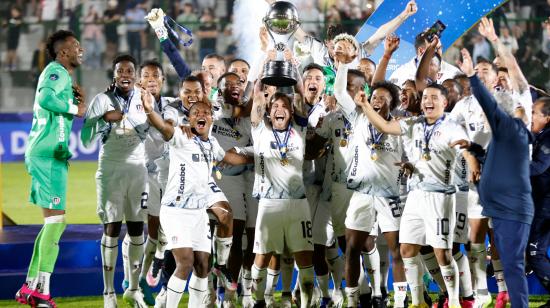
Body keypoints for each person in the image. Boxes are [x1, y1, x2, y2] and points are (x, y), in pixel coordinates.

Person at [361, 81, 479, 308]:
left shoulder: (452, 127)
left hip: (441, 197)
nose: (428, 101)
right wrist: (365, 105)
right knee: (406, 248)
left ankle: (455, 301)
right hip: (415, 195)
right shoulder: (413, 123)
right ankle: (417, 302)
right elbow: (385, 127)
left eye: (435, 98)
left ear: (444, 103)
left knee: (442, 253)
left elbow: (466, 149)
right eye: (425, 97)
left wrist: (474, 166)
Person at [142, 93, 251, 308]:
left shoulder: (212, 143)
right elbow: (163, 127)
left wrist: (257, 156)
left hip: (198, 213)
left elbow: (229, 158)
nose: (201, 115)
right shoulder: (182, 137)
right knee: (185, 263)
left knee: (203, 266)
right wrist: (149, 110)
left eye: (206, 113)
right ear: (189, 120)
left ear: (212, 119)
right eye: (195, 113)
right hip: (176, 211)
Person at [456, 47, 534, 308]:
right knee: (510, 261)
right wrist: (472, 149)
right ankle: (500, 296)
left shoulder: (510, 127)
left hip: (510, 207)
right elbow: (489, 155)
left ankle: (517, 303)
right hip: (499, 205)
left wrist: (472, 76)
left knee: (512, 262)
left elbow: (491, 104)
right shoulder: (503, 136)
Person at [15, 29, 86, 308]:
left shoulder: (61, 75)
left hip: (48, 154)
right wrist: (73, 107)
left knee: (51, 223)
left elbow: (56, 111)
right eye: (76, 45)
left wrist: (73, 102)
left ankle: (30, 286)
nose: (81, 49)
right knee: (57, 223)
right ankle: (42, 291)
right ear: (64, 51)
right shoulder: (56, 71)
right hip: (48, 156)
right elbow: (46, 99)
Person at [81, 54, 150, 308]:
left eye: (130, 70)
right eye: (120, 70)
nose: (125, 74)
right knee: (111, 228)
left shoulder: (145, 99)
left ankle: (133, 289)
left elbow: (155, 130)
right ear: (114, 75)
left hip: (138, 171)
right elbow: (85, 139)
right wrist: (101, 119)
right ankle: (108, 293)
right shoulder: (101, 100)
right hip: (110, 169)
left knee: (135, 229)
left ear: (135, 75)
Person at [247, 77, 314, 307]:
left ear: (291, 112)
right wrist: (266, 65)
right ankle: (257, 301)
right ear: (268, 112)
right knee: (262, 257)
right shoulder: (259, 131)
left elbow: (301, 94)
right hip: (269, 203)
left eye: (284, 106)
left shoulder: (300, 131)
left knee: (305, 258)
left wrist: (293, 69)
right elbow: (257, 96)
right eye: (275, 106)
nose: (279, 109)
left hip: (298, 204)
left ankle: (304, 303)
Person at [527, 97, 550, 306]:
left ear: (547, 118)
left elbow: (537, 168)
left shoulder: (549, 138)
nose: (530, 115)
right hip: (541, 203)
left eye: (534, 112)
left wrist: (508, 168)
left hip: (546, 206)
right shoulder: (539, 136)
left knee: (535, 252)